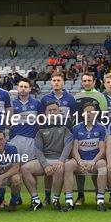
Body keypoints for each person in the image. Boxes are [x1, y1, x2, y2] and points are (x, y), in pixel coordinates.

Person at [21, 102, 73, 211]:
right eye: (50, 110)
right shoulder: (40, 126)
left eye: (55, 110)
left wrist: (61, 161)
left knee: (60, 168)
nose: (52, 112)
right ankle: (36, 200)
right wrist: (45, 165)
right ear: (45, 113)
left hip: (59, 159)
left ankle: (56, 200)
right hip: (45, 160)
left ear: (59, 112)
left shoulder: (66, 124)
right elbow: (38, 149)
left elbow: (68, 145)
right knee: (25, 168)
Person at [38, 72, 76, 205]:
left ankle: (65, 196)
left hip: (64, 137)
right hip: (50, 137)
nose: (56, 82)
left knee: (63, 167)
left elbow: (73, 118)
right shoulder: (44, 99)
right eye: (53, 80)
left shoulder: (70, 98)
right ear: (51, 82)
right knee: (48, 169)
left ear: (63, 82)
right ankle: (48, 196)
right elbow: (41, 118)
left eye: (58, 80)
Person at [64, 103, 108, 212]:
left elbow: (102, 149)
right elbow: (74, 148)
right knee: (68, 165)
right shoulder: (76, 128)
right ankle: (69, 201)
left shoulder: (101, 128)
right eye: (86, 112)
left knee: (102, 165)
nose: (89, 114)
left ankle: (100, 201)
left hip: (94, 161)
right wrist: (80, 162)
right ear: (83, 114)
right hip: (80, 161)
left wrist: (92, 162)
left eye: (91, 111)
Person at [72, 72, 108, 205]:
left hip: (95, 133)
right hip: (80, 132)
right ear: (82, 82)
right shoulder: (77, 96)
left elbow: (104, 115)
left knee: (96, 168)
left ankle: (98, 194)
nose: (87, 83)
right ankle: (80, 195)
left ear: (94, 82)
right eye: (85, 80)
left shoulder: (100, 96)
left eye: (89, 80)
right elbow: (74, 115)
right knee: (79, 171)